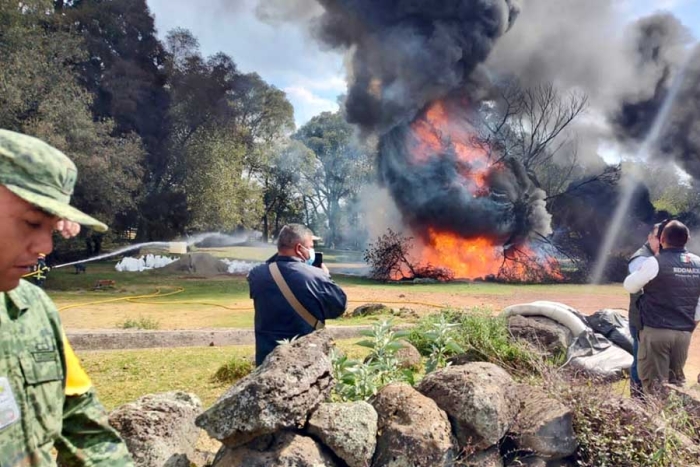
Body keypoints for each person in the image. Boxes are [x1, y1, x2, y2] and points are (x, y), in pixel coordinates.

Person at [0, 129, 133, 465]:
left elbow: (84, 426)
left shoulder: (34, 309)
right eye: (31, 223)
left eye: (52, 227)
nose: (45, 247)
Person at [247, 224, 347, 366]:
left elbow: (271, 267)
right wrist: (326, 277)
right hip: (304, 358)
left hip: (267, 360)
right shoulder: (316, 276)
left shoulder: (257, 274)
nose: (312, 251)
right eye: (311, 246)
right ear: (299, 249)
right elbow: (338, 307)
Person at [623, 220, 700, 394]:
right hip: (684, 334)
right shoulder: (698, 263)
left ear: (662, 238)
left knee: (654, 386)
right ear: (687, 239)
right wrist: (692, 323)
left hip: (656, 331)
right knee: (676, 383)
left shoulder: (654, 262)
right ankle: (675, 418)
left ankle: (655, 420)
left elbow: (630, 286)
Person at [626, 223, 661, 396]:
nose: (660, 241)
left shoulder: (659, 257)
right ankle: (637, 398)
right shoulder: (641, 259)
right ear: (649, 237)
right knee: (640, 361)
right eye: (657, 237)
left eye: (664, 237)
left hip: (655, 320)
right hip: (642, 321)